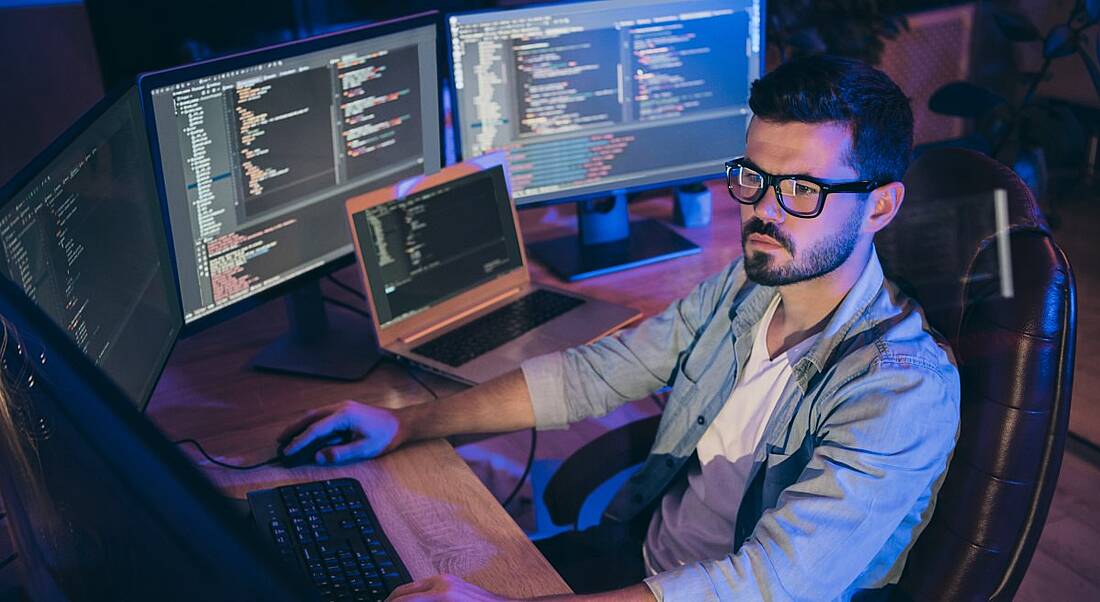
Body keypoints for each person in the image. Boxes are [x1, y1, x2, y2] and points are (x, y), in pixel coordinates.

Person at [280, 55, 961, 601]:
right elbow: (595, 374)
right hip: (636, 564)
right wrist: (405, 425)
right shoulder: (749, 286)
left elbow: (766, 585)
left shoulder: (901, 393)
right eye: (752, 178)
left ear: (879, 207)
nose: (764, 212)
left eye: (802, 190)